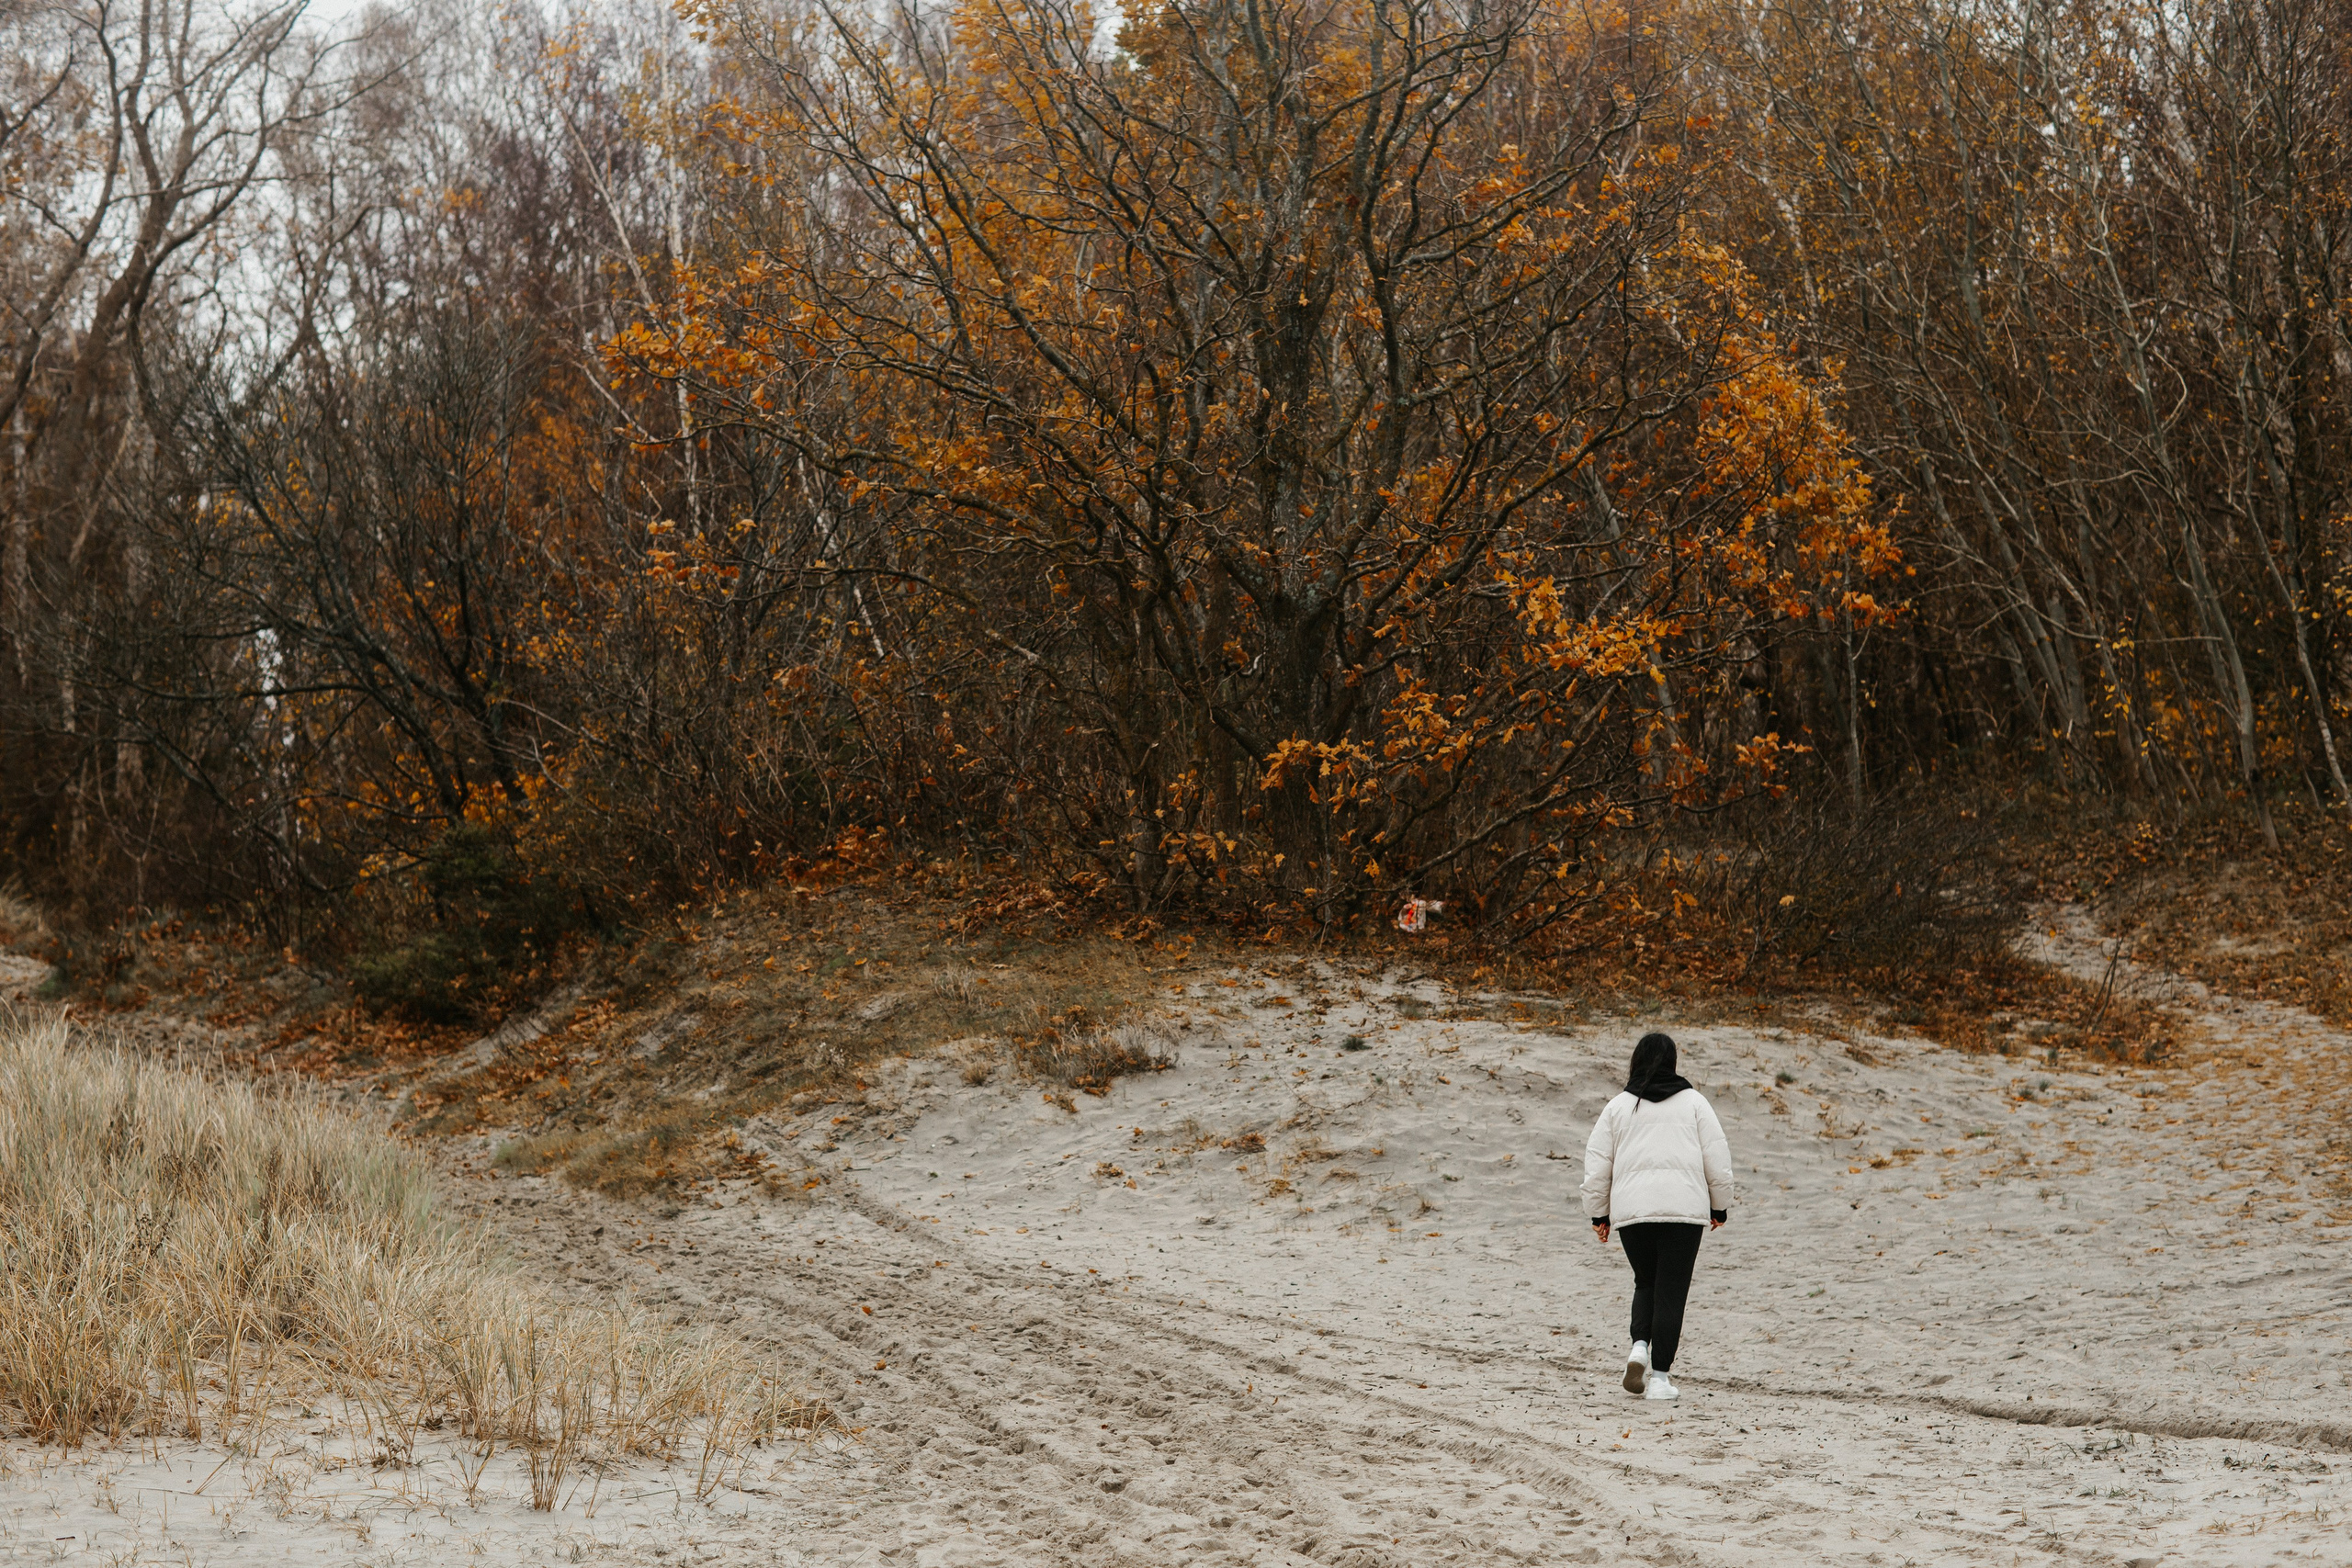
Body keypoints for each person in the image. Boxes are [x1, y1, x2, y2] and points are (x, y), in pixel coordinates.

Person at [1580, 1032, 1733, 1402]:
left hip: (1633, 1214)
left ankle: (1638, 1347)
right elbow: (1718, 1159)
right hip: (1683, 1212)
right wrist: (1719, 1206)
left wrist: (1598, 1215)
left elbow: (1597, 1166)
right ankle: (1661, 1380)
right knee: (1671, 1292)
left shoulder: (1617, 1106)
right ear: (1673, 1062)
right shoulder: (1695, 1103)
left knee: (1645, 1282)